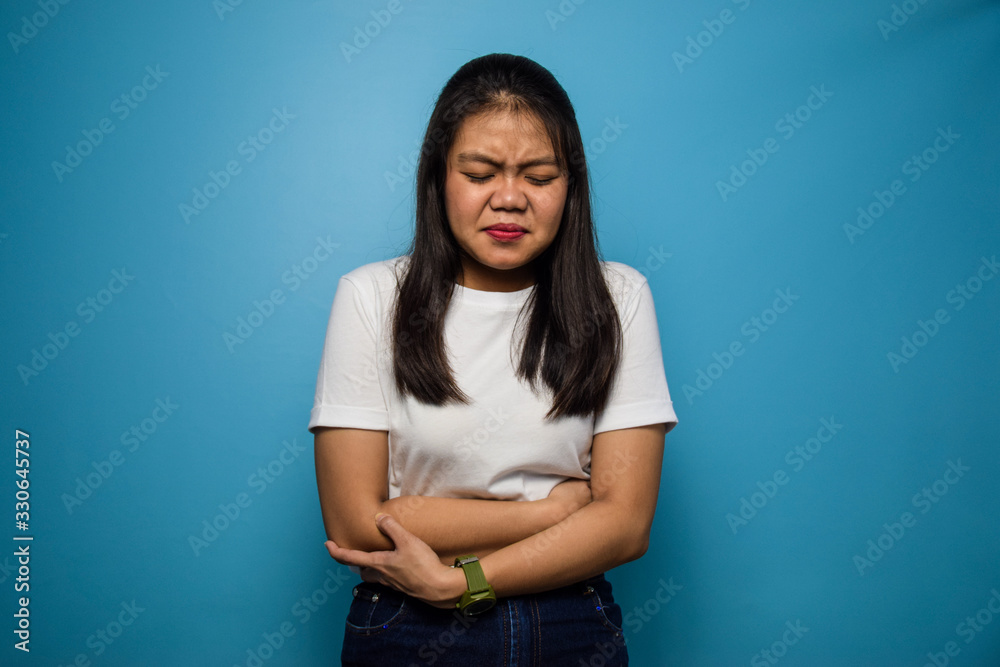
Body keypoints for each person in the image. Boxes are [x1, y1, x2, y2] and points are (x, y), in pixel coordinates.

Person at [308, 52, 678, 666]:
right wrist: (559, 511)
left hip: (570, 623)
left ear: (571, 185)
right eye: (480, 173)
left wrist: (458, 578)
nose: (509, 199)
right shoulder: (371, 297)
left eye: (539, 177)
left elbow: (626, 525)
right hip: (407, 625)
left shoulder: (620, 297)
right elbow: (355, 526)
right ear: (438, 177)